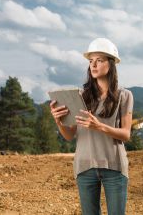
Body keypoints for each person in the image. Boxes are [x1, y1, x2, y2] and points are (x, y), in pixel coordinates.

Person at [49, 38, 133, 215]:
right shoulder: (80, 97)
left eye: (99, 60)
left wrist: (99, 126)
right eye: (90, 61)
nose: (93, 65)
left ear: (111, 64)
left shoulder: (124, 96)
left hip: (114, 167)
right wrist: (59, 121)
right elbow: (69, 135)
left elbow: (126, 135)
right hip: (84, 168)